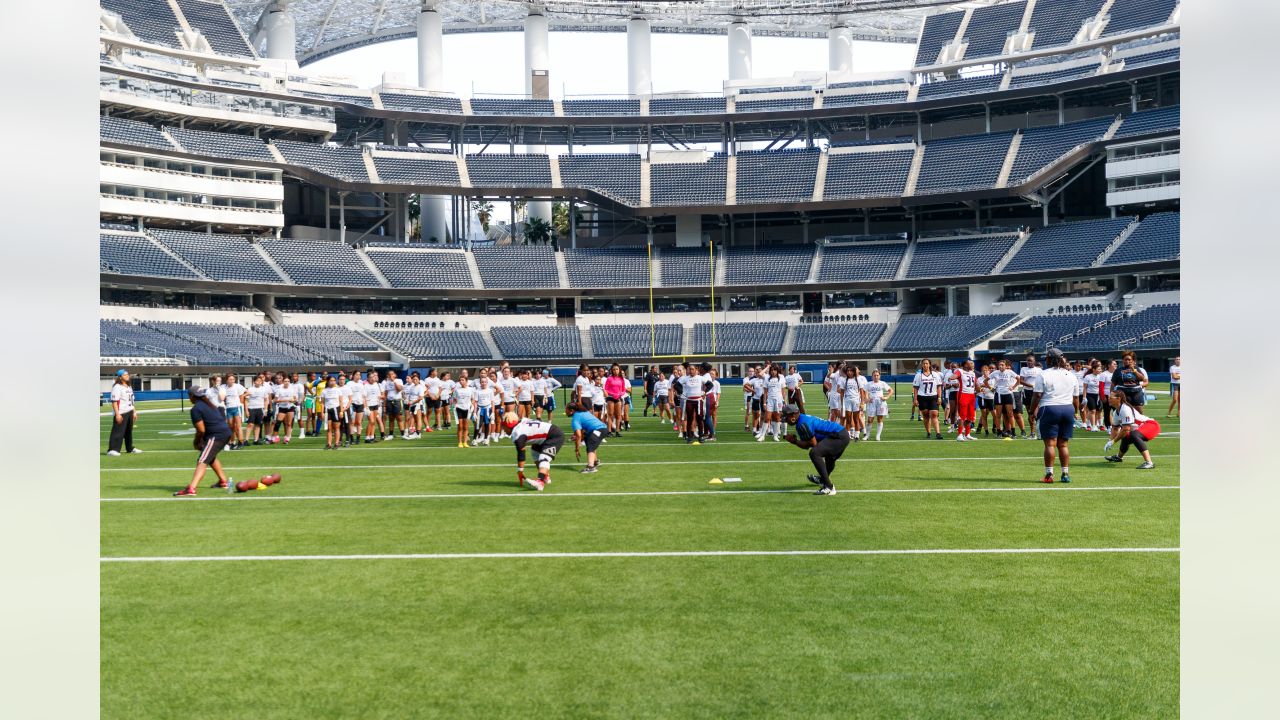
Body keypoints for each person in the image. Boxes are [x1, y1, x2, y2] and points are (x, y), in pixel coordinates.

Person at [173, 386, 234, 496]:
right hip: (224, 433)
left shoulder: (196, 409)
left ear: (192, 396)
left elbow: (201, 430)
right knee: (210, 457)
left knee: (202, 460)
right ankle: (223, 481)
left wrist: (196, 441)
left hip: (217, 435)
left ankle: (191, 488)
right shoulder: (209, 404)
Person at [1033, 347, 1079, 483]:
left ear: (1049, 359)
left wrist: (1031, 410)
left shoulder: (1043, 374)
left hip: (1050, 408)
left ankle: (1049, 475)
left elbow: (1037, 395)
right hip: (1068, 408)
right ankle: (1065, 474)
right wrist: (1075, 412)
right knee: (1063, 445)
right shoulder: (1071, 375)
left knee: (1050, 444)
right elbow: (1076, 398)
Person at [782, 404, 850, 496]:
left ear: (793, 415)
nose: (785, 420)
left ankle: (829, 487)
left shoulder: (802, 424)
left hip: (838, 436)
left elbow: (813, 444)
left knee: (815, 453)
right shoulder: (802, 419)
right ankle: (822, 480)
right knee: (829, 458)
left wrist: (795, 441)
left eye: (786, 417)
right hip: (840, 434)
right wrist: (795, 441)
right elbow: (809, 443)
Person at [505, 412, 564, 491]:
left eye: (503, 426)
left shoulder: (517, 433)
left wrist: (520, 471)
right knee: (535, 452)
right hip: (546, 436)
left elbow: (521, 454)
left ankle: (540, 482)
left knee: (544, 457)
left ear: (508, 425)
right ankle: (545, 476)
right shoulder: (522, 421)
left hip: (554, 436)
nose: (503, 429)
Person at [1104, 387, 1160, 469]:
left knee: (1133, 434)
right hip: (1142, 427)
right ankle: (1118, 457)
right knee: (1125, 436)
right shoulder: (1116, 412)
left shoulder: (1125, 409)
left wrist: (1113, 441)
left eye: (1111, 397)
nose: (1108, 399)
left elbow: (1126, 428)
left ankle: (1149, 462)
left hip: (1151, 425)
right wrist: (1110, 441)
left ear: (1118, 399)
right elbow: (1115, 428)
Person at [106, 368, 140, 456]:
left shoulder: (129, 386)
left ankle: (130, 448)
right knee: (118, 431)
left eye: (127, 374)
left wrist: (134, 412)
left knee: (128, 431)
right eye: (125, 375)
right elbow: (114, 401)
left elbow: (131, 401)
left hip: (129, 411)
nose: (127, 376)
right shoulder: (117, 387)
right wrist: (117, 414)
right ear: (120, 377)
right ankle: (112, 449)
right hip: (121, 412)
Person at [569, 400, 608, 473]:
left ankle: (591, 467)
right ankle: (595, 461)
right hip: (601, 429)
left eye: (566, 410)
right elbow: (582, 432)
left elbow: (578, 435)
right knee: (588, 438)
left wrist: (577, 449)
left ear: (571, 410)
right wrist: (579, 437)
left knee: (590, 443)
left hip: (599, 430)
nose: (566, 411)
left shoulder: (576, 418)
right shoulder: (583, 412)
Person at [913, 359, 943, 440]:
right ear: (922, 365)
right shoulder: (918, 375)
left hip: (933, 397)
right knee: (926, 416)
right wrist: (915, 399)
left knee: (934, 414)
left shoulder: (935, 375)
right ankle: (928, 432)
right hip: (922, 397)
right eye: (924, 364)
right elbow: (916, 388)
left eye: (927, 363)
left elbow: (939, 386)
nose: (925, 365)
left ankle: (938, 433)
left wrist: (939, 397)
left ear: (929, 364)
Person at [1017, 354, 1042, 439]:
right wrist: (1031, 386)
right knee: (1030, 414)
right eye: (1027, 360)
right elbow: (1021, 381)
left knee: (1036, 414)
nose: (1029, 362)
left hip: (1036, 393)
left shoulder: (1039, 370)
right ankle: (1032, 433)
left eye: (1030, 360)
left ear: (1034, 361)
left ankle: (1039, 431)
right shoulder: (1024, 369)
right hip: (1027, 392)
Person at [759, 365, 786, 442]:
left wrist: (784, 401)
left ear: (777, 371)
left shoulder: (781, 378)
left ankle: (775, 435)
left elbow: (783, 391)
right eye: (772, 370)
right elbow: (765, 392)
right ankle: (762, 435)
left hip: (779, 401)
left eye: (774, 370)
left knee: (777, 418)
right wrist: (764, 403)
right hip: (770, 400)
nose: (773, 372)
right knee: (767, 417)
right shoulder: (767, 378)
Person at [953, 359, 978, 441]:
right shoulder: (960, 371)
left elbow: (976, 384)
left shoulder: (973, 373)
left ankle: (967, 434)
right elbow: (955, 375)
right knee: (962, 416)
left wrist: (980, 389)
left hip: (971, 395)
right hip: (963, 395)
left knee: (970, 416)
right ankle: (959, 434)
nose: (972, 364)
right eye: (970, 363)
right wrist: (952, 378)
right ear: (965, 365)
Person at [865, 369, 893, 441]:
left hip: (881, 403)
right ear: (872, 376)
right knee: (870, 419)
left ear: (879, 376)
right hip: (872, 403)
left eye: (877, 375)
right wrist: (867, 399)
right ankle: (867, 435)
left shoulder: (882, 383)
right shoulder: (869, 384)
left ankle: (878, 436)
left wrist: (886, 397)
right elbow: (863, 392)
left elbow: (891, 390)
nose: (876, 377)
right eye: (874, 375)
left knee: (879, 419)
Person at [320, 375, 346, 450]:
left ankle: (337, 443)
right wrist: (322, 412)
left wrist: (341, 411)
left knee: (336, 428)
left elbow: (341, 401)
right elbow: (322, 403)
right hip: (327, 410)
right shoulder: (324, 391)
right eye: (331, 380)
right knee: (329, 428)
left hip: (336, 409)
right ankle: (329, 444)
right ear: (327, 381)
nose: (332, 382)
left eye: (334, 380)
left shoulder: (338, 390)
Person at [222, 373, 246, 449]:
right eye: (230, 379)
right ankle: (232, 442)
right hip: (228, 408)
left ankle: (241, 442)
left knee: (238, 426)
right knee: (231, 426)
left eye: (233, 379)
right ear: (226, 380)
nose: (232, 381)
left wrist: (241, 400)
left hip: (237, 407)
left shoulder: (237, 386)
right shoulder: (223, 387)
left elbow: (247, 392)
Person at [453, 375, 476, 449]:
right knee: (460, 426)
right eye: (460, 380)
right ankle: (459, 442)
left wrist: (471, 405)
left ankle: (465, 442)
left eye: (463, 380)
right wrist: (455, 405)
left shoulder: (471, 389)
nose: (461, 381)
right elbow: (454, 399)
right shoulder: (457, 390)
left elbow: (473, 399)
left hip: (467, 409)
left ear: (466, 381)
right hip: (459, 408)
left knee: (466, 427)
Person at [604, 364, 627, 437]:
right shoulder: (609, 378)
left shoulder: (621, 379)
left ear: (619, 370)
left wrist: (619, 394)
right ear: (612, 370)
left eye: (617, 369)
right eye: (614, 369)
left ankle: (617, 431)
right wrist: (613, 394)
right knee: (610, 415)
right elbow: (606, 389)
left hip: (618, 398)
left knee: (618, 415)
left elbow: (624, 390)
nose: (615, 371)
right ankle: (609, 431)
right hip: (611, 398)